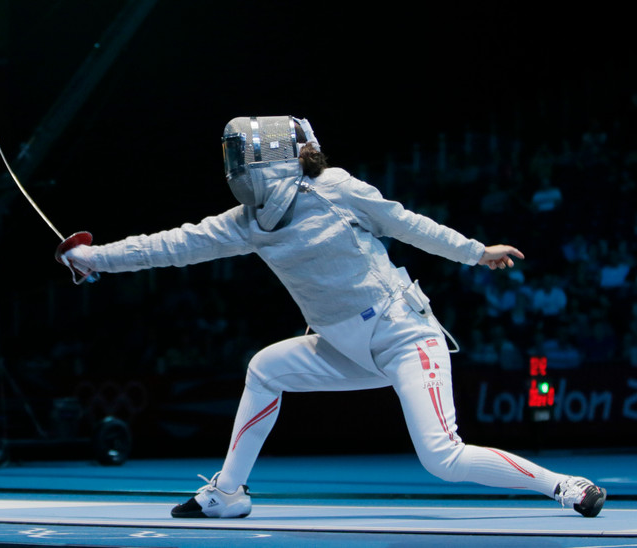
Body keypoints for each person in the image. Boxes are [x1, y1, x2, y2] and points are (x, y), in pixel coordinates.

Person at [60, 115, 607, 518]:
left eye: (240, 156)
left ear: (272, 155)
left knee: (442, 456)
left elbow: (405, 223)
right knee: (266, 369)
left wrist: (474, 250)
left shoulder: (334, 189)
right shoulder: (245, 222)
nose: (234, 169)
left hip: (403, 335)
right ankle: (228, 493)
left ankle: (564, 486)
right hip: (342, 347)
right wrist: (91, 259)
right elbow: (169, 245)